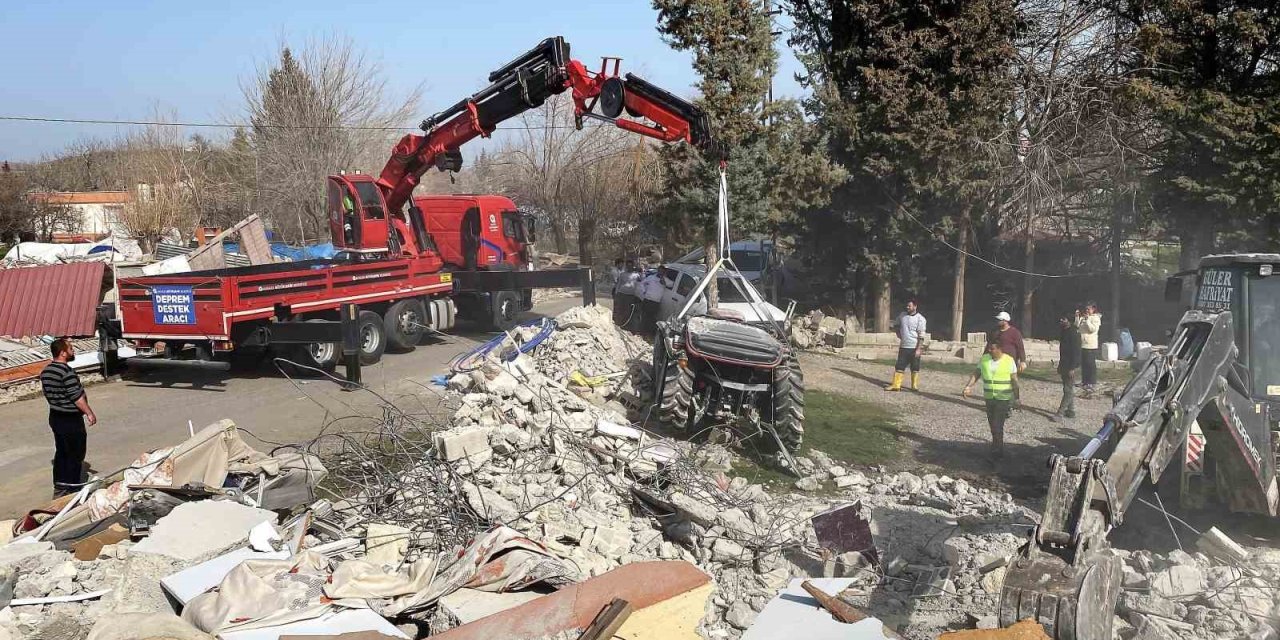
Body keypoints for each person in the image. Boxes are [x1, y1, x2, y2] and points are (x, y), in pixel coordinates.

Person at [40, 339, 97, 497]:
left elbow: (48, 394)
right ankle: (73, 488)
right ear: (63, 352)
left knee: (62, 451)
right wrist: (89, 413)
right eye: (71, 348)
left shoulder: (46, 372)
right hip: (70, 418)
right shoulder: (66, 372)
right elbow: (77, 397)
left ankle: (60, 485)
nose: (73, 351)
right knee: (76, 453)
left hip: (56, 416)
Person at [963, 342, 1020, 459]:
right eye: (988, 348)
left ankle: (997, 451)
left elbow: (1014, 380)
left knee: (997, 425)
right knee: (992, 424)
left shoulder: (1009, 360)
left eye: (992, 349)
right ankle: (996, 446)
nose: (990, 350)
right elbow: (976, 373)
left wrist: (1017, 398)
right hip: (989, 398)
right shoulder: (985, 359)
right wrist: (968, 386)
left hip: (1003, 398)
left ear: (1000, 349)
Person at [885, 299, 927, 392]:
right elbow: (895, 325)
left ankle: (914, 386)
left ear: (915, 307)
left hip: (914, 346)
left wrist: (918, 349)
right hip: (904, 346)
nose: (907, 307)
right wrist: (898, 333)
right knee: (899, 365)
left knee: (915, 366)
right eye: (907, 306)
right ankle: (896, 385)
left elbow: (921, 336)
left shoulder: (920, 319)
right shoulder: (902, 315)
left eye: (910, 306)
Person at [1051, 313, 1081, 421]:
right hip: (1064, 363)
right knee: (1067, 388)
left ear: (1068, 320)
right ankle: (1071, 410)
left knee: (1068, 390)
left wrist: (1072, 368)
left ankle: (1060, 413)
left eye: (1063, 319)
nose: (1061, 320)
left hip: (1070, 365)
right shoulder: (1064, 331)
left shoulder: (1074, 332)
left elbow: (1076, 352)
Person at [1077, 302, 1102, 394]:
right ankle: (1084, 381)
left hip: (1091, 345)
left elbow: (1092, 329)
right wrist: (1077, 317)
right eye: (1086, 309)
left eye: (1089, 309)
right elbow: (1077, 326)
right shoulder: (1084, 317)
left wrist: (1087, 320)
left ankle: (1091, 382)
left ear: (1093, 309)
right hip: (1082, 344)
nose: (1087, 310)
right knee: (1084, 364)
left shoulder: (1096, 318)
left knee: (1090, 364)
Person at [637, 266, 664, 335]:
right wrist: (644, 291)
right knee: (644, 316)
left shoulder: (665, 280)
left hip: (656, 302)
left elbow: (671, 285)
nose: (660, 272)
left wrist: (664, 282)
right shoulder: (651, 277)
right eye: (660, 270)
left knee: (651, 318)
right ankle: (640, 331)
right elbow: (642, 283)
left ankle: (647, 333)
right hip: (648, 299)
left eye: (662, 271)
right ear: (658, 270)